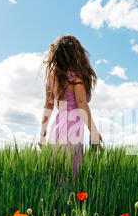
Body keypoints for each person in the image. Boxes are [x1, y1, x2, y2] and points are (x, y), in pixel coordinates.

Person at [39, 34, 103, 188]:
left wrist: (42, 134)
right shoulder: (76, 76)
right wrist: (93, 131)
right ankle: (68, 208)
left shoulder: (52, 76)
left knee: (57, 174)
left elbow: (48, 105)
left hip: (56, 127)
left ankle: (56, 209)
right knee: (71, 176)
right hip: (72, 128)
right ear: (77, 54)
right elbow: (81, 103)